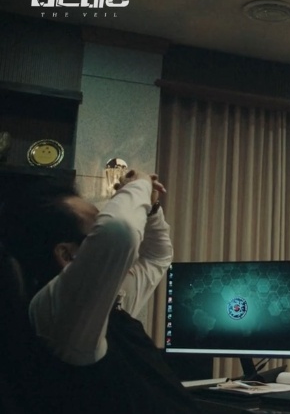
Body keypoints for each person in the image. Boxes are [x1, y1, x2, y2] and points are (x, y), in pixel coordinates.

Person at [0, 171, 201, 413]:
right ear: (66, 254)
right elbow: (119, 231)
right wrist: (140, 183)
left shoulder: (110, 304)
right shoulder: (58, 315)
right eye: (95, 231)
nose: (101, 237)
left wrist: (152, 210)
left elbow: (157, 256)